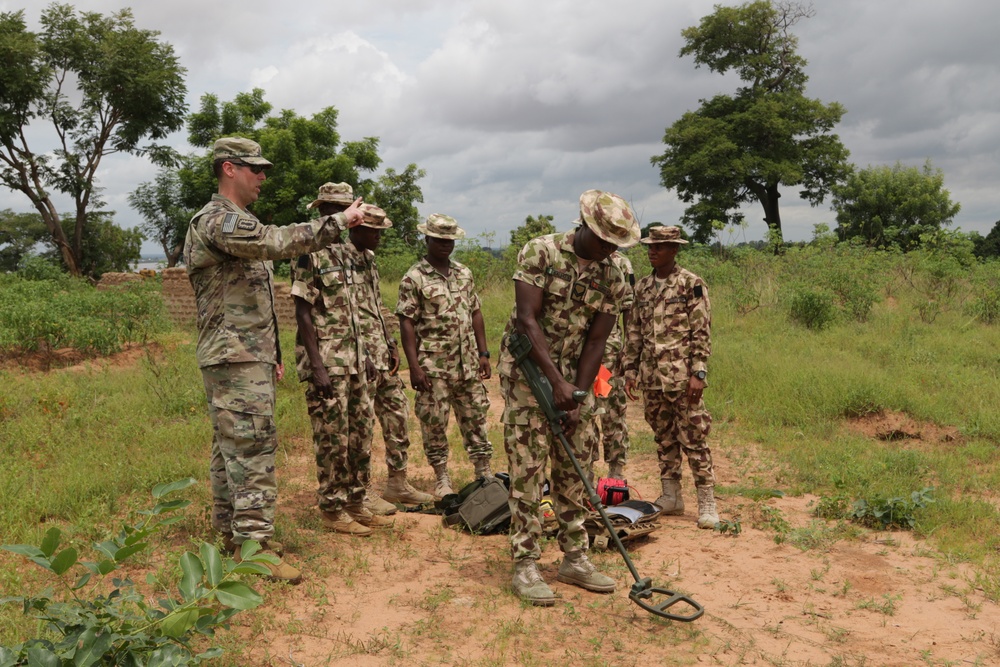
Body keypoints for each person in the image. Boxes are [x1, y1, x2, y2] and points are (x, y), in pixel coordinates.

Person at [184, 138, 364, 584]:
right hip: (233, 357)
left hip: (245, 356)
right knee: (252, 448)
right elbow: (276, 242)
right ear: (229, 169)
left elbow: (252, 299)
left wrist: (273, 355)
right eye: (255, 169)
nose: (263, 177)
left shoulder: (236, 220)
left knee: (232, 448)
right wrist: (339, 220)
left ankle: (232, 535)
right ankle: (255, 549)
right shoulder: (218, 220)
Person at [496, 189, 638, 606]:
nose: (610, 249)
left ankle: (574, 556)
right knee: (527, 468)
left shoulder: (614, 272)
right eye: (604, 239)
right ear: (584, 227)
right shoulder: (541, 252)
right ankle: (525, 562)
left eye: (616, 243)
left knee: (576, 468)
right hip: (528, 376)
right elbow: (526, 320)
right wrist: (555, 382)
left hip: (577, 378)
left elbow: (597, 340)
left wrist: (576, 395)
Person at [292, 184, 396, 536]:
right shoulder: (310, 253)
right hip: (329, 362)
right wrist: (317, 365)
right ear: (323, 212)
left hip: (356, 359)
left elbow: (360, 313)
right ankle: (332, 509)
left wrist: (368, 352)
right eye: (333, 209)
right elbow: (303, 312)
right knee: (332, 438)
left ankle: (355, 499)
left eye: (346, 208)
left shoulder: (353, 255)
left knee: (360, 434)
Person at [622, 225, 718, 529]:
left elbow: (701, 331)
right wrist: (630, 369)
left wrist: (698, 372)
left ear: (674, 249)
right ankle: (671, 495)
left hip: (682, 376)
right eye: (650, 246)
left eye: (659, 247)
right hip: (652, 377)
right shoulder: (643, 288)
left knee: (694, 436)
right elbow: (634, 331)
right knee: (663, 436)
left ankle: (707, 500)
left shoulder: (691, 283)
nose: (652, 251)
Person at [396, 214, 493, 498]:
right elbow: (407, 323)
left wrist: (484, 352)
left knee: (476, 417)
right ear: (426, 239)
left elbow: (475, 312)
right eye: (439, 240)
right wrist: (414, 367)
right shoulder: (414, 277)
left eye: (449, 240)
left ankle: (483, 471)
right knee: (434, 422)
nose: (445, 245)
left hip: (467, 363)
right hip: (433, 366)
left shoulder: (464, 273)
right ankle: (441, 477)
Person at [346, 209, 436, 506]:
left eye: (380, 231)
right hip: (360, 359)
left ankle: (397, 483)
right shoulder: (341, 259)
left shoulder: (368, 260)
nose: (378, 237)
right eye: (374, 231)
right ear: (356, 229)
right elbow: (342, 314)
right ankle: (360, 491)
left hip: (383, 355)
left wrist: (390, 342)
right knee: (360, 426)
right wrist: (364, 352)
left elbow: (374, 305)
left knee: (397, 415)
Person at [583, 249, 634, 482]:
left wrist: (628, 346)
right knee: (586, 410)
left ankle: (615, 471)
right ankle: (587, 471)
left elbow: (628, 308)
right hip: (579, 352)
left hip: (608, 355)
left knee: (611, 409)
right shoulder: (579, 260)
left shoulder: (621, 264)